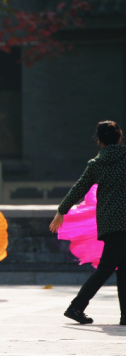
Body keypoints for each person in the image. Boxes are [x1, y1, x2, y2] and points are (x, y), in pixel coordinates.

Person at [50, 120, 126, 326]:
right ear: (119, 137)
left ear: (99, 141)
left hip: (110, 223)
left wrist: (61, 211)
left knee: (119, 267)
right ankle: (76, 306)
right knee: (106, 268)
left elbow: (79, 188)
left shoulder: (97, 164)